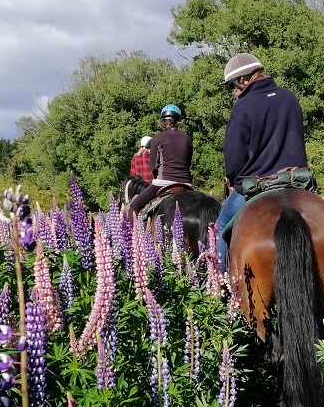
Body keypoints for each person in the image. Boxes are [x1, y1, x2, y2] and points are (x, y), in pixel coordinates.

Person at [215, 53, 310, 270]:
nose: (234, 91)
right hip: (298, 182)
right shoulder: (289, 97)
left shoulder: (242, 107)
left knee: (220, 227)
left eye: (233, 85)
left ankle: (217, 293)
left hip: (258, 186)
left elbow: (233, 160)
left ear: (243, 80)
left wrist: (234, 177)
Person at [127, 104, 193, 216]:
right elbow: (188, 163)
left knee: (134, 206)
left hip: (163, 182)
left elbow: (152, 166)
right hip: (186, 183)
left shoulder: (157, 138)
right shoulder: (187, 139)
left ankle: (134, 233)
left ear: (163, 121)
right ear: (178, 121)